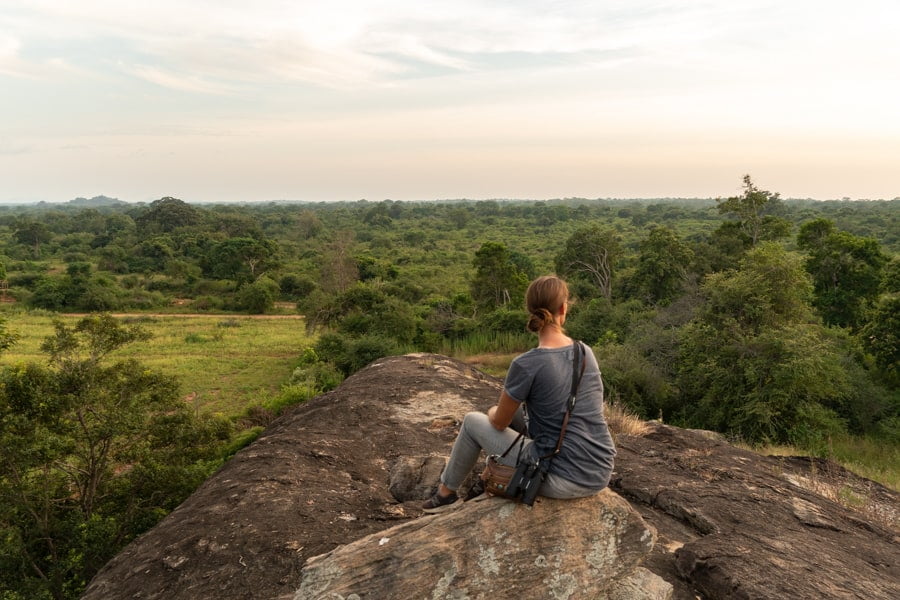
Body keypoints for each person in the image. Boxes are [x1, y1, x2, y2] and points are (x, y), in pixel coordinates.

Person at [422, 275, 616, 513]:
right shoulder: (584, 352)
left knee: (473, 422)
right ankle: (479, 482)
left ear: (531, 311)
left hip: (563, 479)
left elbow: (499, 421)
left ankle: (445, 495)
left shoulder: (526, 363)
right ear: (563, 308)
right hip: (600, 469)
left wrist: (493, 411)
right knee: (520, 416)